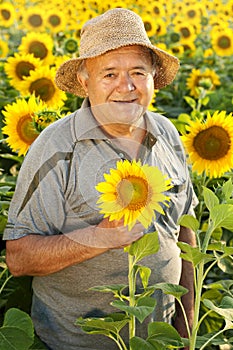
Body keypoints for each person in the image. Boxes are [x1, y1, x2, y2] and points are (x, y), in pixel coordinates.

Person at [4, 8, 197, 350]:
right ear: (84, 80)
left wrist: (185, 332)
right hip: (76, 343)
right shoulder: (56, 147)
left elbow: (185, 232)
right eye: (109, 74)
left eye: (138, 71)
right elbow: (19, 258)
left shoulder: (167, 133)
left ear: (154, 77)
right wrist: (99, 236)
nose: (126, 86)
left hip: (157, 340)